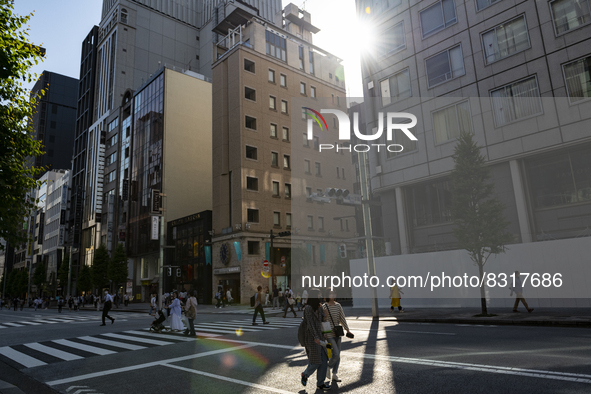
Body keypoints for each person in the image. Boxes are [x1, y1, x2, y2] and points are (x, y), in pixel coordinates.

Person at [300, 289, 331, 391]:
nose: (320, 296)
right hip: (312, 338)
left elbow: (323, 321)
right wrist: (315, 337)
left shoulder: (320, 306)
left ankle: (320, 383)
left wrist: (325, 334)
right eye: (319, 294)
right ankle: (305, 374)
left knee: (324, 360)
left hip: (321, 336)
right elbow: (310, 324)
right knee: (316, 361)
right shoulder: (308, 308)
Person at [323, 290, 352, 383]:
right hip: (329, 333)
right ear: (327, 295)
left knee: (338, 355)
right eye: (330, 293)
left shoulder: (338, 305)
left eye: (333, 293)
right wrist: (324, 333)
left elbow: (342, 318)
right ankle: (328, 367)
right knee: (336, 353)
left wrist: (347, 329)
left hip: (338, 333)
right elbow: (323, 321)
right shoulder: (324, 306)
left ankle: (334, 374)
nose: (332, 295)